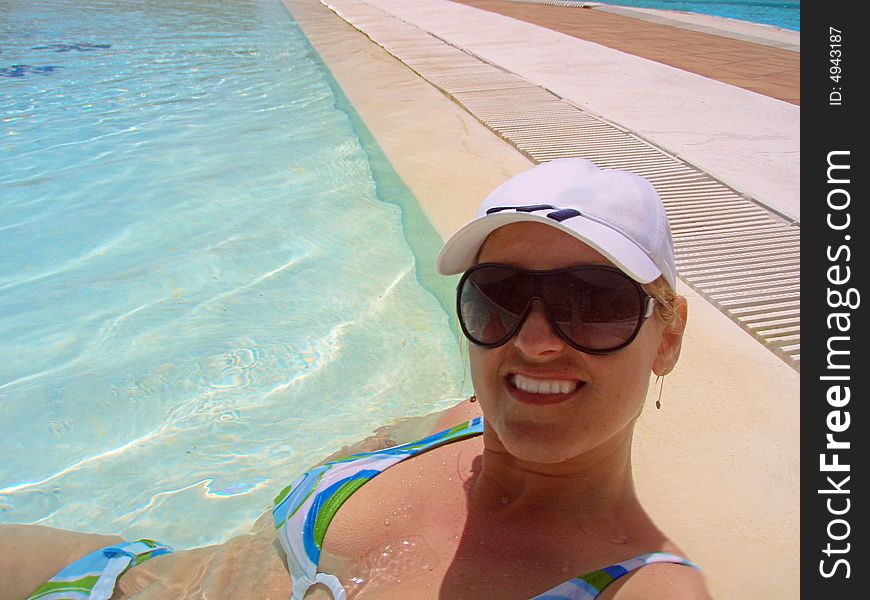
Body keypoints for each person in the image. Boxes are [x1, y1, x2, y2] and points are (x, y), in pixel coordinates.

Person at [1, 158, 711, 599]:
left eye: (592, 305)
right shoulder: (456, 421)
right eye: (497, 296)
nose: (532, 340)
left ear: (667, 337)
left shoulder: (640, 589)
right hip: (118, 577)